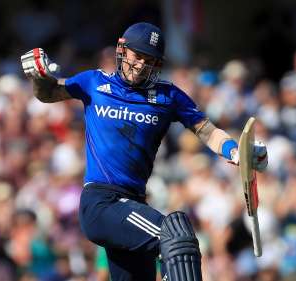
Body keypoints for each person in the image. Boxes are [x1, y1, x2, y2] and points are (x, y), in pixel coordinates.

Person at [21, 22, 268, 281]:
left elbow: (207, 131)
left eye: (148, 60)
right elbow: (49, 92)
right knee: (176, 235)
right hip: (101, 203)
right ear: (122, 49)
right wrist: (38, 77)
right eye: (137, 56)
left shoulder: (168, 96)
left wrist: (236, 152)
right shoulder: (93, 82)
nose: (140, 65)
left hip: (134, 204)